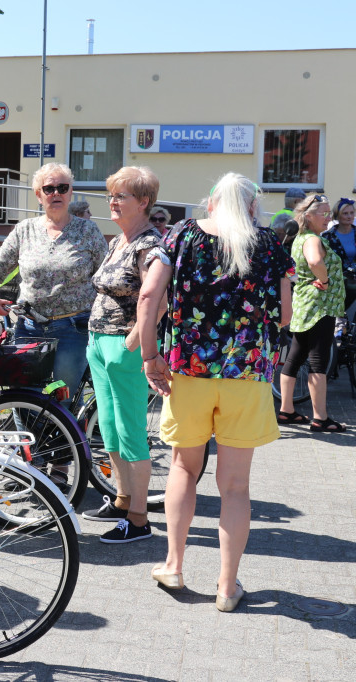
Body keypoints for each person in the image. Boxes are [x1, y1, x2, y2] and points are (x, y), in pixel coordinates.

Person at [138, 172, 292, 611]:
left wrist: (151, 355)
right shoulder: (269, 243)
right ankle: (227, 586)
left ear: (211, 204)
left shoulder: (182, 235)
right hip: (247, 374)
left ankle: (173, 564)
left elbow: (149, 296)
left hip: (188, 371)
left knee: (185, 471)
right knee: (236, 486)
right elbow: (284, 314)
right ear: (250, 206)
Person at [82, 167, 164, 544]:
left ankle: (139, 518)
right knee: (110, 429)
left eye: (120, 197)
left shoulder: (149, 245)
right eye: (110, 195)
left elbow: (158, 300)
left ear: (143, 202)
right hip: (99, 343)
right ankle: (122, 498)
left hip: (122, 347)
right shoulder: (119, 240)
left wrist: (132, 343)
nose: (112, 202)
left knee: (131, 431)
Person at [0, 162, 107, 392]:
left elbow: (105, 278)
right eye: (49, 189)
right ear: (39, 195)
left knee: (59, 400)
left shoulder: (88, 231)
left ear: (70, 192)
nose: (56, 193)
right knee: (23, 397)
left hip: (73, 330)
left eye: (62, 187)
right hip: (29, 327)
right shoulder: (24, 230)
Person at [277, 194, 346, 432]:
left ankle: (286, 411)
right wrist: (324, 280)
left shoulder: (301, 238)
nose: (329, 218)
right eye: (323, 213)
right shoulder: (312, 240)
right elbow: (316, 262)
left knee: (295, 357)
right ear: (308, 216)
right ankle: (320, 418)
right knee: (318, 361)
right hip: (319, 307)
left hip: (305, 304)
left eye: (330, 213)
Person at [324, 197, 356, 315]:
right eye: (345, 213)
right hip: (338, 286)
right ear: (338, 215)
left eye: (352, 213)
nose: (349, 216)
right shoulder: (328, 237)